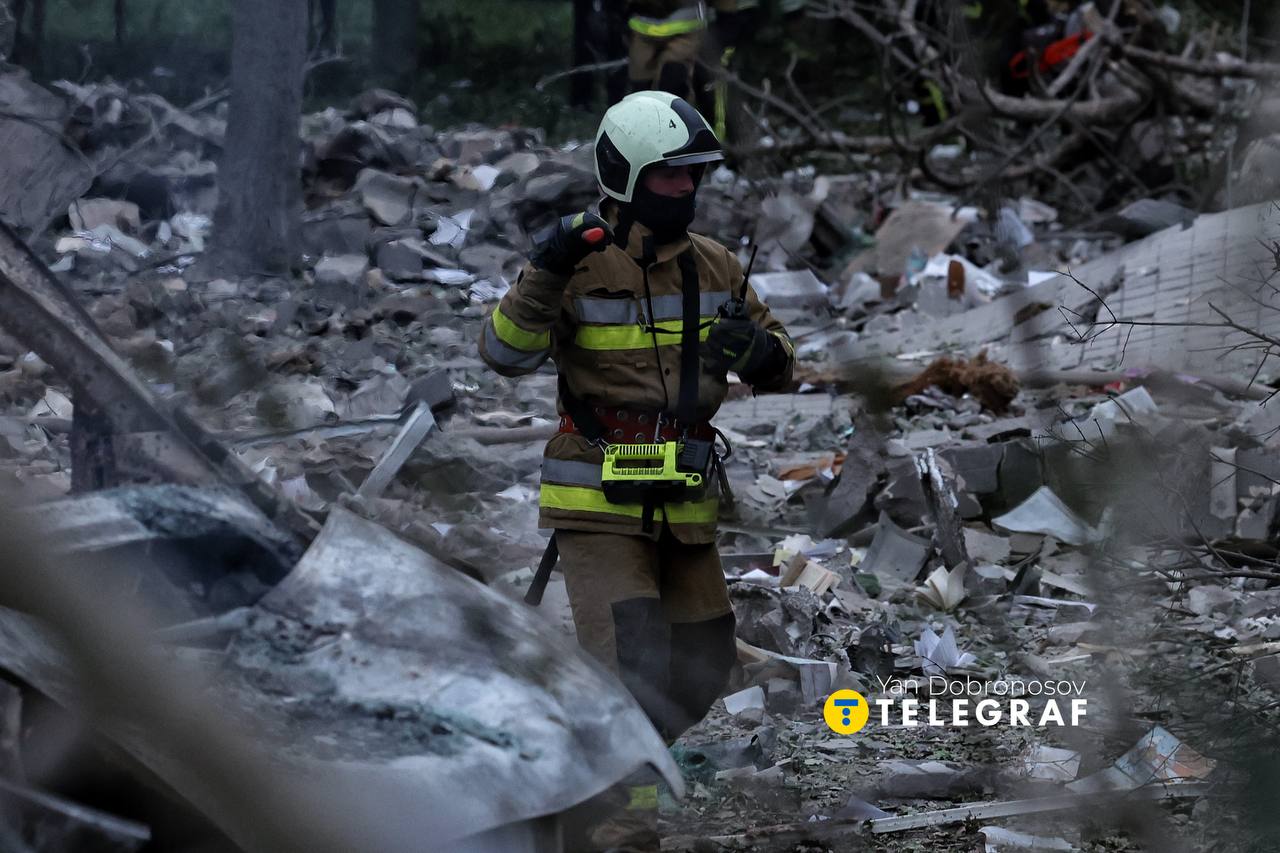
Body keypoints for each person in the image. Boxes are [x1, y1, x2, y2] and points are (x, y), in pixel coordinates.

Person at [478, 90, 794, 851]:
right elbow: (503, 355)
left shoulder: (716, 264)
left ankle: (577, 776)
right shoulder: (574, 263)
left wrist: (756, 352)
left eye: (693, 174)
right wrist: (546, 268)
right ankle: (621, 825)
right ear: (623, 175)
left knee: (704, 660)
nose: (685, 188)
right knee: (629, 659)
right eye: (668, 175)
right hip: (597, 495)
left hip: (684, 496)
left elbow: (783, 361)